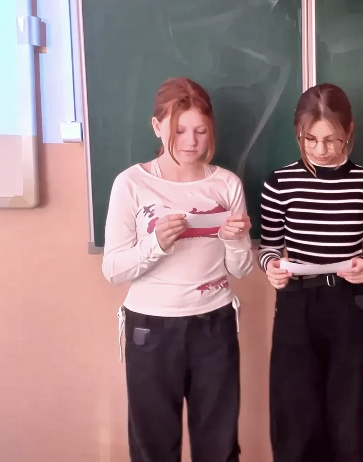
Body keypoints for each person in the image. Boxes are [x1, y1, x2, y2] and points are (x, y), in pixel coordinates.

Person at [102, 77, 253, 462]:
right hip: (150, 328)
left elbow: (241, 270)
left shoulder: (227, 184)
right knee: (153, 446)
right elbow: (113, 270)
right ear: (157, 127)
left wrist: (236, 239)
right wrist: (156, 244)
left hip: (214, 325)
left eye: (200, 131)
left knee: (219, 446)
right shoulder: (131, 183)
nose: (190, 141)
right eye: (179, 131)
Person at [258, 82, 363, 462]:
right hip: (297, 302)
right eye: (310, 139)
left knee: (347, 418)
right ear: (298, 133)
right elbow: (269, 248)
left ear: (349, 130)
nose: (320, 149)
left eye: (331, 140)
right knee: (294, 417)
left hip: (350, 302)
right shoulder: (279, 183)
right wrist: (272, 268)